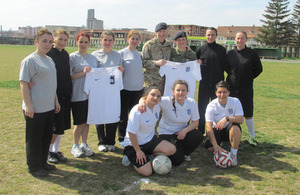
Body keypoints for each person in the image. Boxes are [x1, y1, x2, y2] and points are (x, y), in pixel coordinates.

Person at [19, 28, 60, 177]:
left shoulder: (49, 60)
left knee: (46, 137)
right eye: (44, 41)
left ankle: (43, 162)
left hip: (48, 107)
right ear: (36, 41)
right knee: (34, 138)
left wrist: (56, 101)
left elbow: (52, 84)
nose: (47, 44)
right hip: (35, 108)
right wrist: (28, 105)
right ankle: (34, 167)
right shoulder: (30, 60)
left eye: (50, 42)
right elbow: (23, 84)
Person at [123, 85, 176, 176]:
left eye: (158, 96)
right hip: (133, 145)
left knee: (172, 149)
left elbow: (175, 97)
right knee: (147, 172)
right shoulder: (137, 111)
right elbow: (131, 133)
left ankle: (147, 155)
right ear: (146, 95)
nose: (155, 98)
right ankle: (130, 158)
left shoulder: (157, 105)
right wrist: (138, 151)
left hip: (149, 140)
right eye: (153, 95)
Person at [226, 31, 263, 146]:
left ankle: (252, 137)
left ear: (246, 40)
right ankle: (228, 135)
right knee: (230, 112)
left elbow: (258, 69)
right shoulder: (230, 53)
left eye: (242, 38)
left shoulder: (252, 53)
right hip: (232, 87)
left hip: (246, 88)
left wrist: (249, 77)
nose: (240, 41)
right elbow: (227, 68)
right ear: (235, 40)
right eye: (238, 38)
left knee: (248, 112)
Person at [91, 31, 124, 152]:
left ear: (113, 42)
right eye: (105, 40)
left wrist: (121, 70)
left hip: (112, 90)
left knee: (112, 114)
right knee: (100, 114)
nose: (107, 42)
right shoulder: (94, 55)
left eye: (110, 40)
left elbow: (120, 73)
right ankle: (101, 141)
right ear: (101, 41)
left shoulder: (117, 56)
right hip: (99, 90)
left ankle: (110, 141)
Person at [158, 80, 203, 165]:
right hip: (167, 133)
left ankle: (184, 153)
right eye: (178, 90)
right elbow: (149, 99)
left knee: (198, 135)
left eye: (183, 90)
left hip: (182, 133)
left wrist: (184, 131)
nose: (180, 93)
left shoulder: (191, 103)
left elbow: (195, 122)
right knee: (177, 161)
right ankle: (170, 152)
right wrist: (142, 102)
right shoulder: (166, 101)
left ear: (187, 92)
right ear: (173, 91)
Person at [70, 32, 98, 158]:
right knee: (79, 122)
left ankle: (84, 144)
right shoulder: (72, 57)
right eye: (81, 41)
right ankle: (75, 145)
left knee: (87, 122)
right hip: (77, 94)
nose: (83, 44)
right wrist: (83, 73)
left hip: (90, 96)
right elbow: (70, 76)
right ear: (77, 42)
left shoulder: (93, 58)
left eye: (86, 42)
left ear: (89, 43)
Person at [46, 29, 72, 164]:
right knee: (55, 127)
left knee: (61, 127)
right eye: (60, 39)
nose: (62, 42)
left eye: (65, 40)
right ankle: (48, 151)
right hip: (55, 97)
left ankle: (55, 150)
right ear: (54, 39)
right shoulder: (49, 55)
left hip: (66, 96)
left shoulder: (66, 54)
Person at [196, 27, 227, 135]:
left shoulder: (222, 50)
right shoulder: (201, 49)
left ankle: (216, 132)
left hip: (217, 86)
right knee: (202, 108)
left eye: (212, 35)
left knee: (217, 109)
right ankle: (200, 132)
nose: (210, 37)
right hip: (204, 84)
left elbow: (226, 66)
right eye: (208, 35)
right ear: (206, 35)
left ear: (216, 36)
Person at [204, 81, 244, 166]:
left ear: (229, 92)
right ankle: (219, 144)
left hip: (229, 128)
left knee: (235, 128)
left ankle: (233, 154)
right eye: (219, 92)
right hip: (217, 129)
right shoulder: (211, 106)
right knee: (210, 148)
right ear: (215, 93)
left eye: (224, 92)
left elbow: (241, 120)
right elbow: (208, 126)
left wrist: (227, 119)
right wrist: (215, 145)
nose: (222, 95)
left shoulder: (235, 101)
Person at [117, 30, 144, 147]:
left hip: (138, 89)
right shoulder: (121, 53)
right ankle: (122, 137)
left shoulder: (139, 54)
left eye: (137, 39)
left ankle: (133, 136)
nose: (134, 41)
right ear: (128, 39)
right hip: (125, 89)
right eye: (132, 38)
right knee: (123, 115)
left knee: (135, 115)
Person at [141, 22, 173, 93]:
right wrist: (155, 63)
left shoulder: (169, 45)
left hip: (165, 82)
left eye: (164, 31)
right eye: (160, 31)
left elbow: (175, 57)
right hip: (151, 82)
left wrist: (186, 48)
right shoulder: (149, 45)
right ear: (156, 32)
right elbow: (143, 62)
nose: (162, 34)